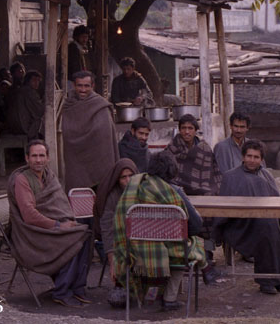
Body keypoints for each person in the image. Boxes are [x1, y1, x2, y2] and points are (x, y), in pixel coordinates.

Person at [113, 153, 207, 311]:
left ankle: (148, 294)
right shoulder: (174, 191)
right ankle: (170, 298)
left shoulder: (134, 190)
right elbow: (196, 226)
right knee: (190, 245)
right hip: (168, 251)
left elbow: (121, 219)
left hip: (135, 249)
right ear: (172, 171)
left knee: (178, 244)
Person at [7, 139, 92, 308]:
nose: (38, 160)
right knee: (72, 239)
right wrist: (58, 226)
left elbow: (57, 204)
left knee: (85, 233)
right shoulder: (22, 180)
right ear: (27, 158)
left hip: (48, 226)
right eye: (34, 156)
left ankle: (76, 286)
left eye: (41, 156)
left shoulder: (49, 176)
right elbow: (29, 216)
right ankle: (62, 291)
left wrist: (65, 220)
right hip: (30, 233)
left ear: (48, 158)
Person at [214, 140, 280, 295]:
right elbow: (223, 209)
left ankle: (278, 277)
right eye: (249, 156)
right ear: (243, 157)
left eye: (256, 157)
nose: (252, 160)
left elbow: (276, 201)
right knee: (266, 228)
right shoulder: (231, 176)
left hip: (266, 220)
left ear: (261, 159)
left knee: (277, 225)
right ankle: (266, 281)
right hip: (240, 224)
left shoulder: (266, 175)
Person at [160, 114, 222, 284]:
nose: (187, 132)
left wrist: (213, 189)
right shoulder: (171, 149)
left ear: (195, 131)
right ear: (179, 130)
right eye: (183, 128)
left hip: (203, 189)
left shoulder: (204, 148)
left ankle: (207, 252)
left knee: (211, 207)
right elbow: (166, 174)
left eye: (190, 128)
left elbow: (213, 172)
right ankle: (184, 252)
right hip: (180, 190)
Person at [61, 70, 120, 191]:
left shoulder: (101, 106)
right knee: (77, 190)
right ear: (74, 85)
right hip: (76, 157)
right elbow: (66, 128)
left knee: (102, 188)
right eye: (79, 86)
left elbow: (106, 138)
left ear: (92, 86)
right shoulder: (68, 105)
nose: (83, 90)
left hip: (98, 157)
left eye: (86, 86)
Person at [93, 158, 138, 295]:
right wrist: (112, 260)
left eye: (131, 176)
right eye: (123, 177)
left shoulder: (141, 190)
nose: (128, 180)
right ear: (117, 179)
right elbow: (107, 227)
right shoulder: (112, 196)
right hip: (117, 237)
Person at [4, 69, 44, 140]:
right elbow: (39, 112)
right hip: (23, 127)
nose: (36, 83)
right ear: (27, 81)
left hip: (13, 127)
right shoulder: (29, 92)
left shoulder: (20, 90)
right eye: (34, 80)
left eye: (38, 80)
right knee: (43, 119)